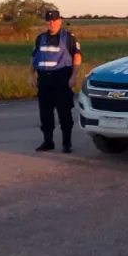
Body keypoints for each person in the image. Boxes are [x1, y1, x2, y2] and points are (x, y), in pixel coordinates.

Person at [29, 9, 82, 153]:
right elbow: (34, 57)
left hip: (62, 79)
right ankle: (48, 141)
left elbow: (77, 57)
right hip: (44, 80)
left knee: (64, 112)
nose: (51, 23)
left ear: (60, 21)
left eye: (54, 20)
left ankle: (67, 143)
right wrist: (31, 75)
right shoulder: (40, 38)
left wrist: (74, 76)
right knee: (45, 113)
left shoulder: (69, 37)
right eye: (49, 21)